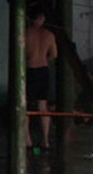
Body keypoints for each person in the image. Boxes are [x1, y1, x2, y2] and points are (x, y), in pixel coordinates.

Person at [25, 6, 58, 152]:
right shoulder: (49, 35)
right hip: (43, 70)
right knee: (42, 106)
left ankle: (28, 141)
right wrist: (44, 59)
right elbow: (54, 55)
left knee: (25, 107)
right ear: (41, 18)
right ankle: (45, 141)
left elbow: (21, 53)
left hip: (29, 69)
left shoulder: (25, 33)